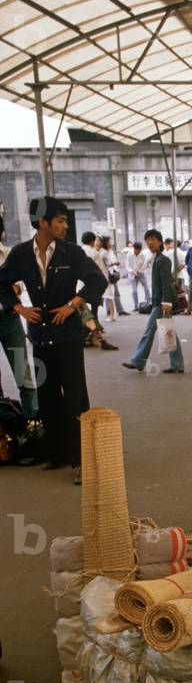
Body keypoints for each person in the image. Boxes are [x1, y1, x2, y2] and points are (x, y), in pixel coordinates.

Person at [0, 196, 106, 482]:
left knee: (75, 398)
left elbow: (97, 280)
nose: (65, 226)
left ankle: (81, 460)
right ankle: (56, 454)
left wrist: (73, 304)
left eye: (65, 220)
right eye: (60, 221)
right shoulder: (21, 254)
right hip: (40, 335)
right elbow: (2, 283)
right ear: (42, 223)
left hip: (69, 336)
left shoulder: (72, 253)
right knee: (47, 397)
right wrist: (18, 307)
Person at [122, 228, 184, 375]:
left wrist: (166, 302)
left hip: (161, 303)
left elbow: (166, 283)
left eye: (153, 239)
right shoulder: (156, 258)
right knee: (169, 332)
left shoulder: (162, 260)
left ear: (160, 241)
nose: (149, 242)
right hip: (159, 302)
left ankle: (138, 360)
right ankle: (177, 364)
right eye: (147, 240)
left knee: (149, 332)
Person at [0, 214, 39, 418]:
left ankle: (32, 422)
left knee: (23, 374)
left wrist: (10, 288)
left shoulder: (9, 254)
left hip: (9, 319)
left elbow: (18, 287)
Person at [80, 232, 118, 350]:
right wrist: (105, 284)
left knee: (86, 312)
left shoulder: (79, 251)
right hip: (93, 286)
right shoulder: (94, 253)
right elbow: (101, 271)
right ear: (92, 241)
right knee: (91, 313)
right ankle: (91, 337)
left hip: (81, 286)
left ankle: (94, 336)